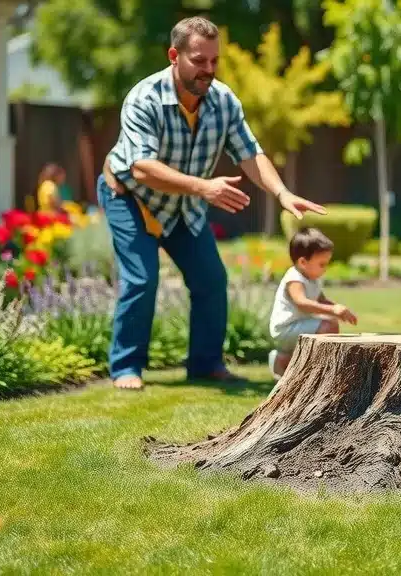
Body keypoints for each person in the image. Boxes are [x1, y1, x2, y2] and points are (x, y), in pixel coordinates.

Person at [98, 16, 327, 390]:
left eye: (213, 61)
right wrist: (204, 188)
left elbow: (250, 153)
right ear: (174, 55)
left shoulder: (223, 101)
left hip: (182, 205)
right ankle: (126, 367)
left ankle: (205, 365)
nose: (208, 70)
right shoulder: (145, 98)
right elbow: (141, 169)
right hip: (129, 198)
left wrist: (282, 193)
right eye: (198, 60)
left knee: (211, 280)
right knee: (142, 278)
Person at [267, 227, 358, 379]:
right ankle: (320, 370)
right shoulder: (295, 279)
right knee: (328, 326)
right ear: (303, 262)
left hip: (300, 324)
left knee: (330, 322)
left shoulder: (312, 277)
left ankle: (282, 359)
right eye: (322, 264)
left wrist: (338, 309)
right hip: (285, 329)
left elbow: (321, 300)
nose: (325, 269)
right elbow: (302, 303)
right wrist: (333, 311)